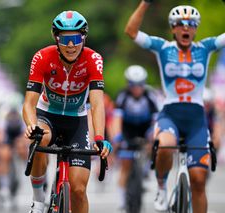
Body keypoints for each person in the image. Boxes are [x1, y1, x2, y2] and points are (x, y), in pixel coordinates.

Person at [125, 1, 225, 212]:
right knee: (164, 146)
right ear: (172, 28)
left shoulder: (205, 48)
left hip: (196, 118)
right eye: (180, 23)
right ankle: (161, 186)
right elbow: (131, 31)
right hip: (170, 113)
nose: (185, 27)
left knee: (199, 180)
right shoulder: (163, 47)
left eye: (191, 23)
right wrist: (145, 3)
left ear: (196, 28)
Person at [22, 10, 112, 213]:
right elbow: (29, 103)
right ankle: (38, 200)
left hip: (77, 121)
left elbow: (97, 104)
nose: (71, 45)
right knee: (40, 138)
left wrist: (99, 137)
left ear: (84, 38)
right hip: (48, 115)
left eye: (75, 38)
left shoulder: (93, 59)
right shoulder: (42, 57)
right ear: (56, 38)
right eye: (65, 38)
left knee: (78, 189)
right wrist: (32, 125)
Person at [112, 65, 158, 211]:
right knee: (126, 164)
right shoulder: (123, 96)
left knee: (154, 145)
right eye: (133, 84)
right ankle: (121, 198)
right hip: (128, 129)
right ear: (128, 84)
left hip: (145, 128)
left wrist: (153, 138)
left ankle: (148, 172)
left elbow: (156, 120)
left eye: (140, 85)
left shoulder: (150, 96)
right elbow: (116, 120)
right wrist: (117, 138)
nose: (137, 88)